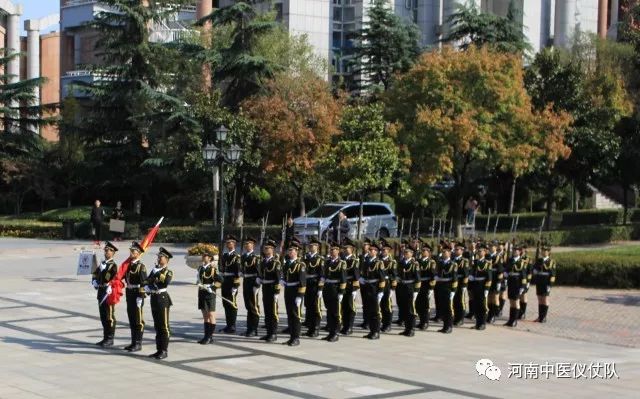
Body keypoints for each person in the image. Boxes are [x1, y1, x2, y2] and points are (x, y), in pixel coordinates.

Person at [145, 247, 174, 360]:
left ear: (166, 259)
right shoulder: (155, 269)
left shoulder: (168, 271)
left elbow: (165, 283)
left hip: (162, 299)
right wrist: (149, 284)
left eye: (161, 257)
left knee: (164, 326)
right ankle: (158, 350)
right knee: (157, 326)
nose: (158, 258)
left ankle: (164, 350)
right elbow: (147, 280)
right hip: (154, 298)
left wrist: (154, 279)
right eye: (158, 256)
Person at [92, 241, 119, 347]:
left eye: (109, 250)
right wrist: (94, 280)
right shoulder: (103, 264)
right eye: (106, 250)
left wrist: (102, 272)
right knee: (103, 316)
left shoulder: (113, 266)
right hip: (101, 290)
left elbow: (108, 278)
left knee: (109, 316)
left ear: (113, 253)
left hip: (108, 292)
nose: (106, 252)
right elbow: (95, 273)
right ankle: (105, 337)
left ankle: (110, 338)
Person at [281, 241, 307, 346]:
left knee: (296, 315)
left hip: (296, 291)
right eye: (289, 250)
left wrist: (300, 296)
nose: (290, 252)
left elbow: (303, 282)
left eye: (292, 250)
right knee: (290, 314)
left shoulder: (301, 264)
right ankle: (291, 336)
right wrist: (282, 280)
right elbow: (284, 274)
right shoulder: (287, 263)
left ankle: (296, 338)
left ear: (297, 251)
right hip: (288, 290)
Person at [124, 241, 147, 352]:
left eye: (133, 251)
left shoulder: (141, 267)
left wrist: (141, 296)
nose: (131, 253)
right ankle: (133, 342)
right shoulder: (129, 265)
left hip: (137, 294)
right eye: (131, 251)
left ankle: (138, 343)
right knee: (132, 318)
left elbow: (144, 282)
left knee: (138, 320)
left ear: (138, 253)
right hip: (130, 292)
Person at [359, 241, 385, 340]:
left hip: (374, 288)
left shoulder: (379, 263)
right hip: (367, 287)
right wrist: (361, 278)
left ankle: (376, 331)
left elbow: (382, 278)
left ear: (376, 252)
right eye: (369, 249)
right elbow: (364, 273)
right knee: (369, 310)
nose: (369, 251)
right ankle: (371, 330)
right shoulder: (366, 261)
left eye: (372, 250)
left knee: (375, 311)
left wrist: (381, 291)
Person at [196, 248, 223, 344]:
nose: (203, 257)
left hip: (209, 293)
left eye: (205, 256)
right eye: (203, 256)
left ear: (210, 258)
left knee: (211, 314)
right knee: (205, 315)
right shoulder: (200, 268)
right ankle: (206, 336)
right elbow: (199, 280)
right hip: (202, 292)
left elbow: (220, 281)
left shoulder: (213, 269)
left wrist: (213, 287)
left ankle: (210, 336)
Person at [321, 242, 346, 342]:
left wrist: (341, 292)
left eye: (334, 249)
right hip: (327, 288)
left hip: (335, 288)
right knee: (329, 311)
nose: (332, 251)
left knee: (336, 313)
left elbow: (343, 279)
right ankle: (330, 332)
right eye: (331, 250)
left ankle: (335, 333)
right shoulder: (327, 262)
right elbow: (324, 275)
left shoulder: (342, 263)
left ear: (338, 251)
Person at [258, 239, 282, 342]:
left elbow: (278, 279)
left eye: (268, 248)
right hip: (265, 288)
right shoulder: (263, 261)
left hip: (272, 288)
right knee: (267, 311)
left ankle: (273, 333)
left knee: (273, 312)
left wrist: (276, 292)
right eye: (265, 248)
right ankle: (268, 333)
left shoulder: (276, 263)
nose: (265, 249)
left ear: (272, 250)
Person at [396, 246, 421, 337]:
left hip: (410, 288)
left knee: (410, 310)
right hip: (401, 287)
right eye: (405, 252)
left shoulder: (415, 264)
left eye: (408, 252)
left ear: (412, 254)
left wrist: (416, 291)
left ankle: (411, 329)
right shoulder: (401, 263)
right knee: (403, 309)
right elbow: (398, 274)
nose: (405, 253)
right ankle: (406, 329)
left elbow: (418, 279)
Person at [219, 235, 241, 334]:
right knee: (225, 304)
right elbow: (222, 269)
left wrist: (235, 286)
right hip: (225, 281)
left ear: (234, 244)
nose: (228, 244)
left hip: (232, 281)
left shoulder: (237, 257)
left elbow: (238, 272)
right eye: (227, 243)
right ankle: (228, 325)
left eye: (230, 242)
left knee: (232, 304)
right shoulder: (224, 256)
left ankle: (232, 326)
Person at [303, 238, 324, 337]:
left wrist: (320, 288)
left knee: (316, 307)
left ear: (317, 247)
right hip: (307, 284)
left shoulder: (320, 259)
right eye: (310, 245)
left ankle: (315, 328)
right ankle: (310, 327)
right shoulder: (306, 257)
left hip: (315, 284)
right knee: (308, 306)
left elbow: (322, 275)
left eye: (313, 246)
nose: (311, 247)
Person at [241, 237, 261, 337]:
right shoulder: (244, 256)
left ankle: (254, 329)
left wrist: (257, 285)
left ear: (252, 245)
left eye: (249, 244)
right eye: (246, 244)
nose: (247, 245)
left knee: (254, 306)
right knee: (248, 306)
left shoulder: (256, 257)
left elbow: (259, 273)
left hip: (253, 282)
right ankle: (249, 328)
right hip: (246, 281)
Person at [469, 245, 492, 330]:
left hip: (483, 285)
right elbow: (472, 271)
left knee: (483, 306)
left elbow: (489, 277)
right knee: (476, 305)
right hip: (476, 284)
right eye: (478, 251)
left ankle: (483, 323)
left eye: (481, 251)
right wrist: (471, 277)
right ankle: (477, 323)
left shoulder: (487, 262)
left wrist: (486, 289)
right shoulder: (475, 262)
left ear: (485, 252)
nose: (479, 252)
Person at [435, 247, 457, 334]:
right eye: (443, 252)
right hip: (440, 286)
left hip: (448, 287)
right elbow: (437, 272)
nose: (444, 253)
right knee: (443, 307)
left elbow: (455, 279)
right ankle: (444, 326)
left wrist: (453, 290)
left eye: (446, 252)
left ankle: (449, 326)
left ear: (449, 253)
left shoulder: (453, 264)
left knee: (448, 308)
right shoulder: (440, 263)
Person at [340, 238, 360, 335]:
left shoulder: (354, 260)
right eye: (345, 248)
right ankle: (345, 326)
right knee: (343, 307)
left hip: (350, 285)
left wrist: (355, 289)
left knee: (350, 307)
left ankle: (350, 327)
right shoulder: (342, 259)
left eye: (348, 248)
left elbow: (356, 276)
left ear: (352, 249)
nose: (346, 249)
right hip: (343, 285)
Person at [503, 246, 527, 327]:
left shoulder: (522, 262)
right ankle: (510, 320)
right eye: (514, 250)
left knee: (516, 302)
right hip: (511, 282)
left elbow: (524, 275)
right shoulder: (510, 260)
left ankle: (515, 321)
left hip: (517, 283)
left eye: (516, 250)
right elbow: (507, 269)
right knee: (511, 301)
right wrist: (505, 274)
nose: (515, 252)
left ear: (520, 252)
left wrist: (522, 286)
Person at [532, 245, 556, 323]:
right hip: (539, 281)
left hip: (546, 282)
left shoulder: (551, 261)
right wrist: (534, 271)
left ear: (548, 252)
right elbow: (535, 269)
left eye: (546, 251)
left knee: (545, 299)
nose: (544, 252)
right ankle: (540, 316)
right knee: (540, 299)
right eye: (543, 251)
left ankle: (544, 317)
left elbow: (553, 274)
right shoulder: (539, 260)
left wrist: (550, 285)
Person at [415, 243, 436, 330]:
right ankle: (421, 321)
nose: (424, 252)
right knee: (418, 304)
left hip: (426, 285)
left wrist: (431, 288)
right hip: (419, 285)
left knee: (425, 305)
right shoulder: (418, 261)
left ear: (429, 252)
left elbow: (433, 276)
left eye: (426, 251)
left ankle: (425, 322)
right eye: (423, 250)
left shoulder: (431, 262)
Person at [379, 239, 397, 332]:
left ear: (389, 251)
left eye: (386, 250)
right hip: (379, 284)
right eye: (383, 250)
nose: (384, 251)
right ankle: (383, 323)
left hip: (387, 285)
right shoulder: (379, 260)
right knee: (381, 305)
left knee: (387, 305)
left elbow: (394, 275)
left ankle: (388, 324)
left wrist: (393, 289)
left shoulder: (392, 262)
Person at [485, 242, 504, 324]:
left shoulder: (498, 257)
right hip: (488, 280)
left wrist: (499, 282)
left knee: (495, 298)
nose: (491, 248)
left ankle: (494, 315)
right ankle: (490, 314)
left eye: (493, 247)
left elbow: (500, 271)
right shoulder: (487, 257)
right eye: (490, 246)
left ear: (496, 248)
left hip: (495, 280)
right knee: (489, 298)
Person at [452, 242, 470, 326]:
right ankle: (456, 317)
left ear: (462, 251)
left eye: (457, 249)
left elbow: (466, 274)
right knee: (454, 300)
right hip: (454, 282)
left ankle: (461, 318)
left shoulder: (464, 261)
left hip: (460, 282)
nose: (455, 251)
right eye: (455, 249)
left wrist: (464, 285)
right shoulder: (453, 259)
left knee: (461, 301)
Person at [358, 238, 371, 330]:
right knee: (364, 303)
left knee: (369, 303)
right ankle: (365, 320)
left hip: (369, 282)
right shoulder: (361, 256)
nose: (364, 246)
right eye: (363, 244)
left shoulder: (371, 257)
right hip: (362, 281)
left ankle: (369, 322)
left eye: (366, 244)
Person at [518, 245, 533, 320]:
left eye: (522, 249)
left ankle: (523, 312)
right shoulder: (517, 257)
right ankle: (519, 311)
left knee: (523, 295)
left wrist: (528, 282)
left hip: (524, 279)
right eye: (520, 249)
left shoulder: (528, 258)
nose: (521, 250)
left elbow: (530, 271)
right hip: (517, 279)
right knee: (518, 296)